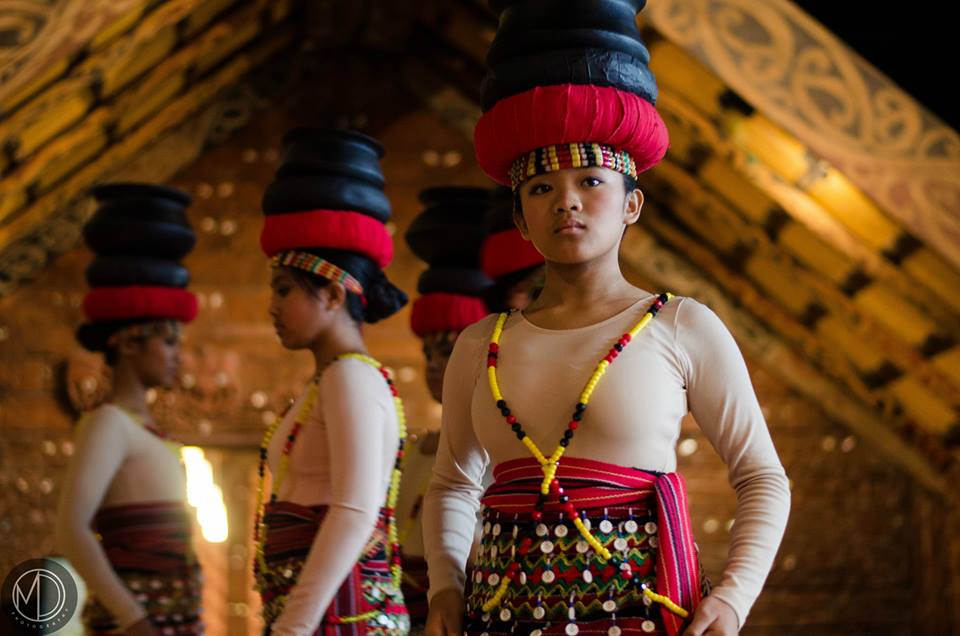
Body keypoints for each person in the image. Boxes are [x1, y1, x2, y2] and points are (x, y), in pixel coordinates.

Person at [422, 2, 791, 635]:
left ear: (632, 204)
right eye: (540, 188)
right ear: (520, 219)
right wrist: (444, 586)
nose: (566, 200)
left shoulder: (681, 327)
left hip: (644, 619)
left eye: (591, 181)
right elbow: (453, 484)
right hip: (499, 620)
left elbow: (762, 476)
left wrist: (732, 598)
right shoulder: (480, 346)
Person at [254, 128, 410, 635]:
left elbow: (354, 509)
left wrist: (293, 626)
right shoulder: (329, 380)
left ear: (333, 295)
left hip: (340, 617)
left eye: (284, 289)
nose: (272, 306)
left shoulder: (349, 377)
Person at [56, 183, 203, 636]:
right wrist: (132, 617)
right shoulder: (107, 424)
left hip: (173, 620)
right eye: (168, 340)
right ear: (128, 340)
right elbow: (70, 528)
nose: (178, 354)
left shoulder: (148, 429)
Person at [400, 186, 493, 626]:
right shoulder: (413, 450)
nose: (436, 365)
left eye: (449, 352)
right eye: (429, 353)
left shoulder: (500, 450)